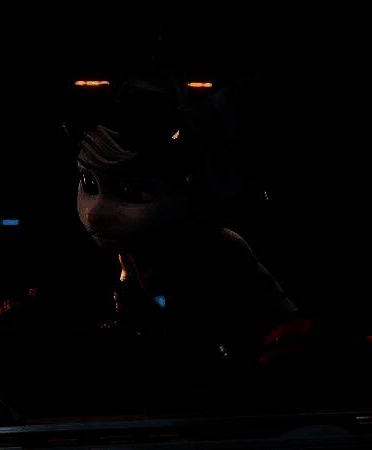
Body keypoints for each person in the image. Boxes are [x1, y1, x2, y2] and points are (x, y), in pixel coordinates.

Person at [74, 71, 299, 412]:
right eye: (89, 184)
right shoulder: (130, 251)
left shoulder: (217, 251)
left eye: (133, 193)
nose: (94, 214)